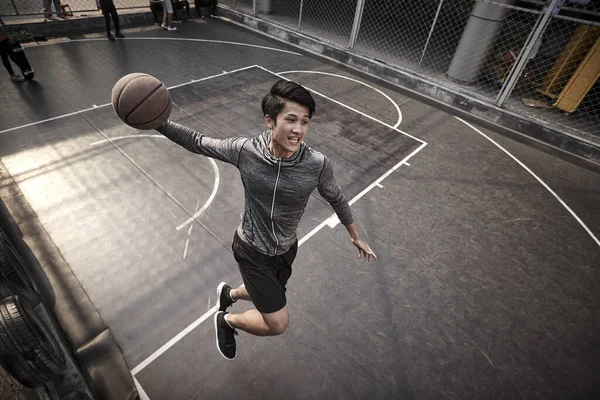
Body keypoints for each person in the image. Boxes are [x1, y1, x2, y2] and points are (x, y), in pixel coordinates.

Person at [155, 79, 377, 360]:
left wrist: (355, 236)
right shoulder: (245, 151)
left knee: (266, 293)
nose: (299, 130)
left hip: (285, 249)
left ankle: (229, 295)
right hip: (251, 249)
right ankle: (226, 321)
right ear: (270, 121)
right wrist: (159, 123)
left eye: (305, 122)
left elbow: (338, 198)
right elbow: (199, 142)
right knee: (277, 322)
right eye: (291, 120)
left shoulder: (316, 165)